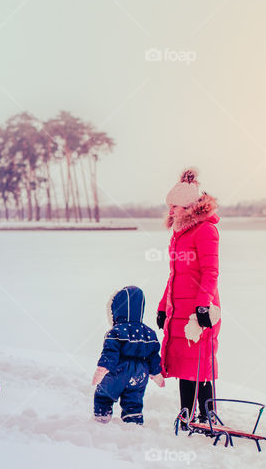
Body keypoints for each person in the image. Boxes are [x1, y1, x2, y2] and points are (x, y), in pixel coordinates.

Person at [155, 168, 221, 427]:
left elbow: (210, 271)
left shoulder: (205, 231)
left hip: (199, 308)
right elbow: (174, 275)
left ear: (190, 207)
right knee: (184, 362)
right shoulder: (179, 234)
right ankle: (186, 413)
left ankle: (207, 414)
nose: (171, 210)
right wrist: (163, 307)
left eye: (176, 206)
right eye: (169, 205)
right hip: (179, 306)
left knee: (201, 360)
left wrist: (203, 306)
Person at [91, 285, 165, 425]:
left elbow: (110, 353)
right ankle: (133, 420)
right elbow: (153, 356)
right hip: (140, 373)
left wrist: (102, 369)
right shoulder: (149, 333)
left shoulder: (116, 331)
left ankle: (102, 417)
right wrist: (156, 375)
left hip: (119, 370)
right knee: (134, 399)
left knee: (104, 394)